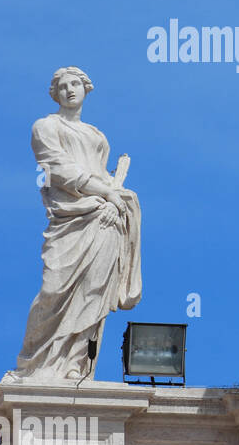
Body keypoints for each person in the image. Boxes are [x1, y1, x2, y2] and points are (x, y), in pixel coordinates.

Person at [10, 67, 141, 380]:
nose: (69, 90)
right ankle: (32, 364)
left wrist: (118, 197)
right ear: (55, 94)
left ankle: (76, 364)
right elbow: (57, 169)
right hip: (70, 216)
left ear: (86, 88)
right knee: (53, 289)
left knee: (95, 290)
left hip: (105, 218)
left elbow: (102, 173)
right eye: (62, 86)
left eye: (75, 84)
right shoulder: (46, 126)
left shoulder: (97, 136)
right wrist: (106, 192)